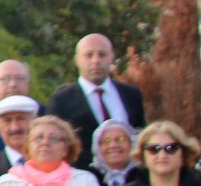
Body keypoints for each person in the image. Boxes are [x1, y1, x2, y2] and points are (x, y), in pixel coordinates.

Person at [48, 33, 146, 166]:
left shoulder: (131, 95)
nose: (96, 61)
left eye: (102, 54)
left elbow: (141, 135)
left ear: (112, 56)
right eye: (89, 55)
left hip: (130, 177)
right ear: (77, 59)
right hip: (83, 177)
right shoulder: (61, 100)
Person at [88, 119, 139, 186]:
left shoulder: (145, 176)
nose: (113, 145)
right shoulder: (89, 179)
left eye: (121, 139)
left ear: (132, 144)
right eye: (106, 141)